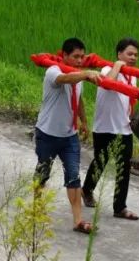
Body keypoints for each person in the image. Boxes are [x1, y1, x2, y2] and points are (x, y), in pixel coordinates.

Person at [33, 38, 100, 234]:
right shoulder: (54, 71)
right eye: (75, 57)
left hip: (70, 136)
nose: (79, 60)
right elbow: (63, 80)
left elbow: (78, 99)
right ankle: (36, 210)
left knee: (73, 176)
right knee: (43, 173)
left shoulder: (79, 77)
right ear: (64, 55)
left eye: (82, 57)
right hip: (47, 133)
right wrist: (85, 74)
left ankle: (78, 221)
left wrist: (84, 121)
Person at [81, 37, 139, 220]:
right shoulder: (107, 69)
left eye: (136, 55)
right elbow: (107, 84)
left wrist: (131, 116)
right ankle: (87, 190)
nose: (133, 57)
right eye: (129, 54)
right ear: (119, 53)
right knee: (100, 162)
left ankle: (120, 207)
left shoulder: (132, 76)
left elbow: (130, 99)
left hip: (124, 128)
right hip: (105, 127)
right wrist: (117, 66)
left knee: (124, 168)